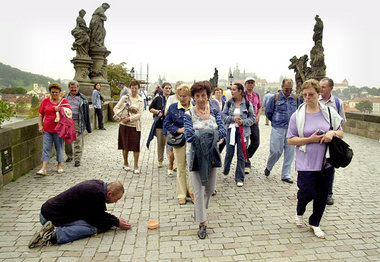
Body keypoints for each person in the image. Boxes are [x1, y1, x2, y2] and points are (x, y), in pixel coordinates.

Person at [287, 79, 343, 239]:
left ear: (319, 94)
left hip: (326, 161)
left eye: (311, 94)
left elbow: (341, 132)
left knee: (322, 194)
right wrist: (309, 139)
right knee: (307, 191)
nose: (307, 98)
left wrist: (332, 133)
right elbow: (290, 139)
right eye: (304, 95)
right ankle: (300, 211)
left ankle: (315, 223)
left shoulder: (330, 113)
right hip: (306, 161)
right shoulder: (297, 116)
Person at [28, 180, 131, 248]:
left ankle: (52, 230)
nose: (115, 202)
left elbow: (97, 213)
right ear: (109, 193)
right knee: (92, 228)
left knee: (96, 223)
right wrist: (116, 222)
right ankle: (52, 235)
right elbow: (96, 219)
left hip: (47, 211)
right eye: (115, 199)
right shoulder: (96, 194)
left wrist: (115, 220)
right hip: (50, 216)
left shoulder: (98, 185)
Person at [184, 81, 226, 239]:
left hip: (213, 154)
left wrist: (208, 135)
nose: (200, 99)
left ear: (208, 96)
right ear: (193, 97)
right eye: (197, 96)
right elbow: (189, 135)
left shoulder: (214, 113)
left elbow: (222, 131)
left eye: (203, 95)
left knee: (210, 189)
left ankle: (199, 211)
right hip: (196, 155)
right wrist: (210, 135)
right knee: (199, 190)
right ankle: (202, 223)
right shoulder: (189, 114)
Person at [264, 79, 299, 183]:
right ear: (282, 87)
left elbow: (299, 112)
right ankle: (269, 167)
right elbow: (268, 112)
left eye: (290, 89)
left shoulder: (295, 98)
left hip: (291, 129)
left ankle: (286, 175)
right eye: (286, 89)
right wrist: (275, 121)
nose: (288, 91)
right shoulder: (274, 98)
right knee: (275, 151)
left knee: (289, 153)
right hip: (278, 128)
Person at [164, 84, 194, 205]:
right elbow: (166, 124)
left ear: (190, 96)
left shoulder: (195, 107)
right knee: (181, 167)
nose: (182, 99)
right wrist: (178, 129)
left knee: (192, 167)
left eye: (184, 96)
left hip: (193, 141)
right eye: (180, 96)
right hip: (179, 141)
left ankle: (192, 192)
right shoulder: (173, 108)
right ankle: (181, 193)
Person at [319, 77, 346, 205]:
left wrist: (336, 136)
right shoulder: (314, 99)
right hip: (316, 138)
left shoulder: (337, 102)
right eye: (320, 86)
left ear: (331, 88)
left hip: (331, 139)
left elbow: (341, 123)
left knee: (330, 166)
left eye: (323, 87)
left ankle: (328, 194)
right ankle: (315, 191)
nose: (321, 89)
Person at [222, 83, 255, 187]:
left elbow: (252, 118)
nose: (232, 91)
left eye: (234, 89)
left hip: (243, 132)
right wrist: (232, 119)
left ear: (240, 91)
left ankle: (239, 178)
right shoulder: (228, 103)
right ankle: (226, 170)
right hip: (230, 131)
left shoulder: (248, 104)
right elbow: (223, 116)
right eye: (231, 89)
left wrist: (243, 122)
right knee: (229, 153)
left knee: (241, 155)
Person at [36, 83, 72, 176]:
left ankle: (59, 165)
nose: (54, 94)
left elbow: (69, 113)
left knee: (59, 148)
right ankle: (43, 168)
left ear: (60, 92)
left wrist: (60, 109)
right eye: (53, 92)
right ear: (50, 92)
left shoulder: (64, 101)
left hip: (59, 130)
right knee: (46, 148)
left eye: (56, 92)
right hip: (47, 129)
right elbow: (40, 114)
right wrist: (40, 125)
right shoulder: (45, 101)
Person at [114, 80, 144, 174]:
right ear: (130, 88)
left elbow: (139, 114)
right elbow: (116, 108)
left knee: (135, 146)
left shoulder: (140, 100)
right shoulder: (125, 98)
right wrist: (120, 117)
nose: (134, 90)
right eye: (132, 88)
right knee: (125, 145)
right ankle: (125, 163)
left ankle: (136, 165)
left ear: (138, 88)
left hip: (135, 126)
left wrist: (129, 118)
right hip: (124, 125)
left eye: (136, 88)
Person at [63, 81, 92, 167]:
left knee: (78, 141)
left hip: (78, 121)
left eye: (75, 87)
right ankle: (69, 156)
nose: (73, 89)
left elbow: (87, 113)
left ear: (78, 88)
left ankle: (77, 159)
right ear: (69, 88)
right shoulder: (64, 98)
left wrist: (88, 126)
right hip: (67, 121)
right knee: (67, 141)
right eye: (72, 87)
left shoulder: (83, 98)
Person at [149, 82, 173, 171]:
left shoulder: (172, 99)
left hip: (170, 125)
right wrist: (157, 112)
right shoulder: (158, 99)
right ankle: (160, 160)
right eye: (166, 88)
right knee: (160, 143)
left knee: (170, 143)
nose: (168, 90)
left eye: (170, 88)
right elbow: (150, 108)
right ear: (162, 89)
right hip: (160, 124)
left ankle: (171, 161)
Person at [244, 77, 262, 174]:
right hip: (246, 122)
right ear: (245, 84)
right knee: (245, 143)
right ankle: (246, 162)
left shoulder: (256, 95)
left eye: (252, 83)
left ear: (254, 84)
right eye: (248, 83)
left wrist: (258, 116)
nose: (250, 84)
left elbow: (259, 107)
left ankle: (246, 157)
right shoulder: (242, 95)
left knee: (256, 142)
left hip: (254, 122)